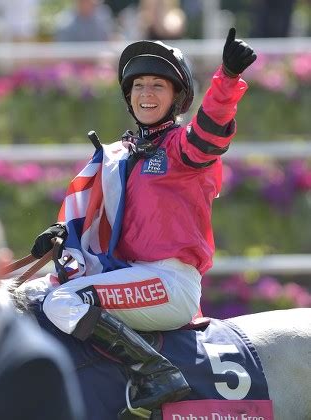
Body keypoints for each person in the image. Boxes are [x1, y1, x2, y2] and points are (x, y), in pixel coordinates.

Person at [29, 28, 256, 418]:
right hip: (134, 277)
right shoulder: (120, 154)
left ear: (177, 98)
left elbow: (209, 134)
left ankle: (157, 372)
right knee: (37, 292)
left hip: (170, 285)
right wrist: (62, 235)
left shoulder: (183, 149)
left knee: (64, 301)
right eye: (138, 86)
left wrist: (227, 79)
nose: (146, 94)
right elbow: (95, 221)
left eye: (157, 85)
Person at [0, 219, 86, 420]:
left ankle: (152, 367)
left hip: (131, 271)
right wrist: (66, 228)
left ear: (2, 265)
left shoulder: (35, 364)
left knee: (59, 303)